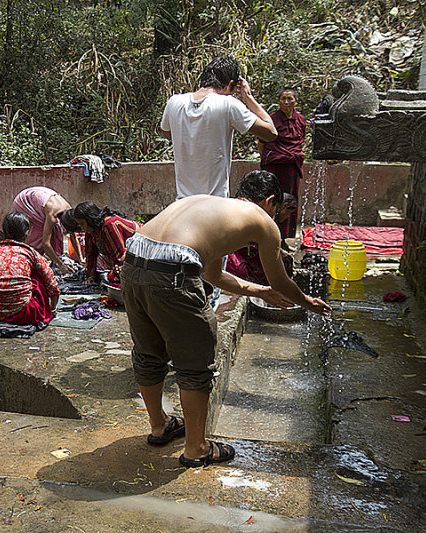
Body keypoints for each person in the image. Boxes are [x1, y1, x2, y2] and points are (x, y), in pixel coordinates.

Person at [120, 170, 330, 469]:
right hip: (174, 274)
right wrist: (306, 301)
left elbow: (214, 275)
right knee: (195, 363)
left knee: (148, 353)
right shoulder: (263, 221)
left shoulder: (210, 205)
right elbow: (283, 282)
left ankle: (159, 425)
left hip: (132, 261)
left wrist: (259, 291)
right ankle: (196, 448)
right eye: (277, 210)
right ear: (270, 202)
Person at [160, 55, 277, 200]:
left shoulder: (174, 102)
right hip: (215, 203)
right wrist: (247, 97)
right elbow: (271, 133)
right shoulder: (227, 104)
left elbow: (167, 133)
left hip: (183, 203)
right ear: (231, 84)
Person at [0, 212, 60, 325]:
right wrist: (52, 309)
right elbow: (52, 286)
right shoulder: (31, 253)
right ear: (26, 234)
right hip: (24, 315)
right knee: (37, 277)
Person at [258, 87, 306, 240]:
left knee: (289, 200)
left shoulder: (301, 120)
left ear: (296, 101)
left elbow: (300, 141)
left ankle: (285, 236)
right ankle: (268, 235)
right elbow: (261, 142)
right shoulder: (271, 119)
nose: (286, 102)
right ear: (278, 101)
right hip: (274, 165)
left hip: (292, 166)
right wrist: (266, 160)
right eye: (283, 99)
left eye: (290, 99)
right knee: (272, 199)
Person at [65, 202, 141, 283]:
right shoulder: (91, 231)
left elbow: (119, 256)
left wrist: (114, 276)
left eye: (82, 224)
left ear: (90, 219)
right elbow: (91, 254)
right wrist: (90, 277)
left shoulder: (109, 225)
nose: (82, 228)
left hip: (141, 252)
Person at [12, 186, 82, 274]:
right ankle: (32, 261)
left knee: (56, 230)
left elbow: (73, 236)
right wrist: (61, 265)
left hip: (39, 197)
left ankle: (54, 259)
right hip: (25, 201)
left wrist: (81, 259)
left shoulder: (69, 212)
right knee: (39, 234)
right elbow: (46, 243)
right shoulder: (52, 215)